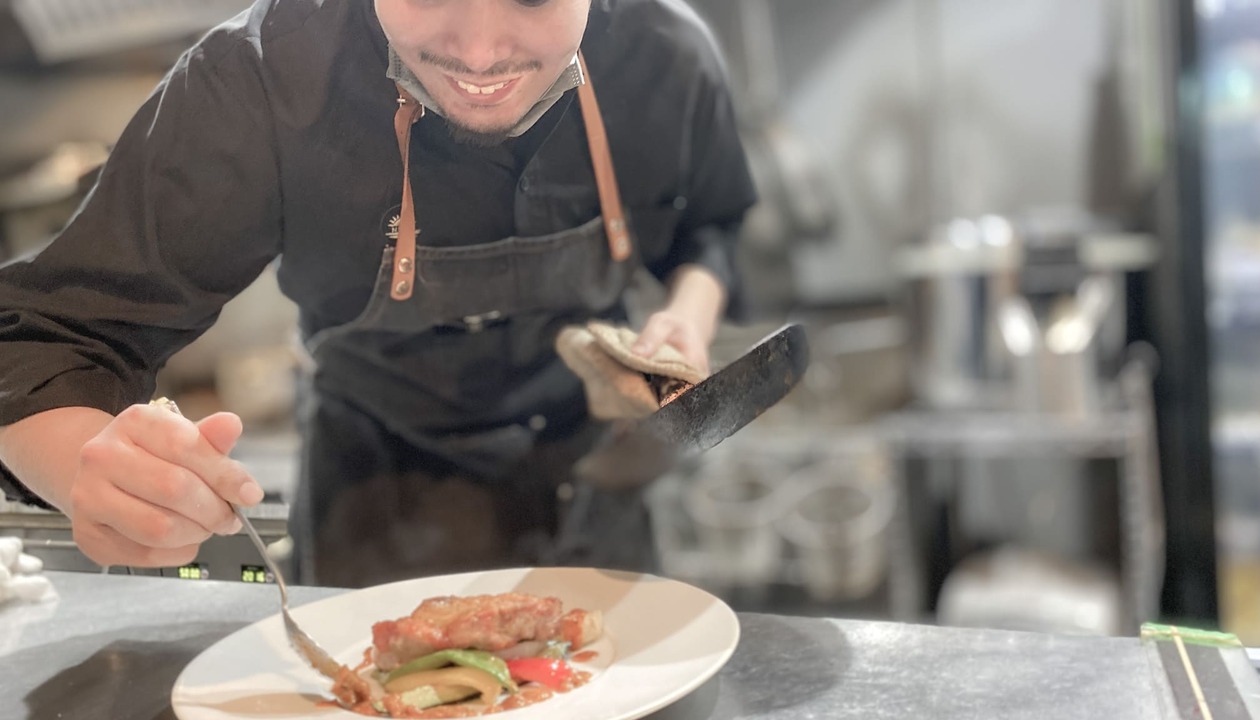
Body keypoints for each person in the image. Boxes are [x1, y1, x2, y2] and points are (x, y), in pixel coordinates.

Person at [0, 0, 757, 587]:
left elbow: (713, 227)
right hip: (377, 502)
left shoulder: (667, 55)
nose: (480, 52)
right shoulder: (263, 79)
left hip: (601, 492)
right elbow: (44, 341)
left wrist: (685, 317)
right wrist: (86, 477)